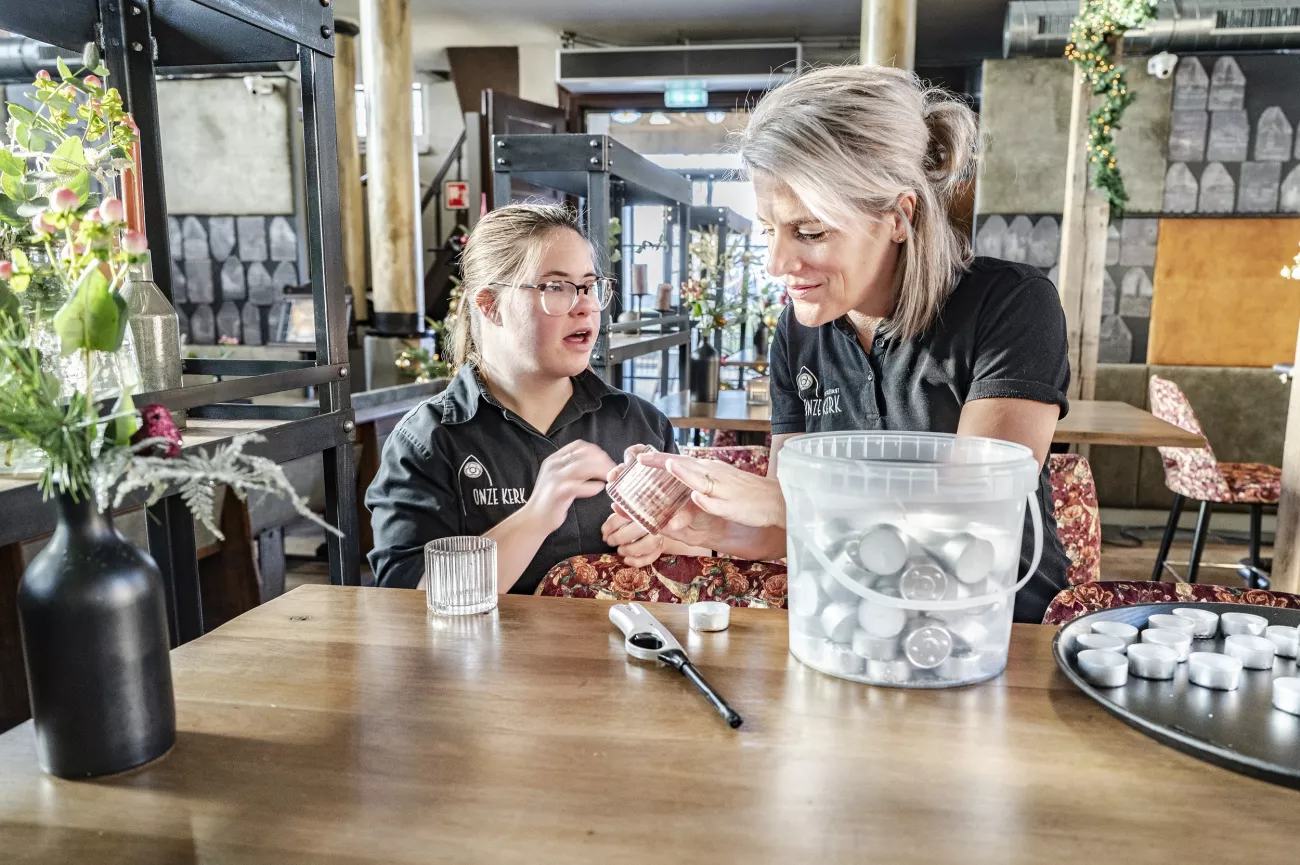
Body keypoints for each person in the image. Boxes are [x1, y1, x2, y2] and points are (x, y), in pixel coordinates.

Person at [626, 65, 1073, 623]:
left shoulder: (1011, 305)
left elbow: (976, 517)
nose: (777, 265)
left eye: (810, 232)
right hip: (857, 621)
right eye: (769, 230)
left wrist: (781, 502)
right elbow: (802, 531)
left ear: (898, 217)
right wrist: (716, 529)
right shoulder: (798, 332)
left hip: (998, 623)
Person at [366, 204, 702, 593]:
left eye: (589, 287)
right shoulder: (428, 443)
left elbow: (702, 557)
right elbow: (403, 604)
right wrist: (537, 515)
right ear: (490, 305)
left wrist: (659, 540)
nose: (585, 306)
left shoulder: (640, 423)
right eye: (555, 287)